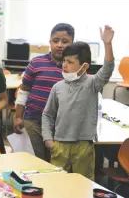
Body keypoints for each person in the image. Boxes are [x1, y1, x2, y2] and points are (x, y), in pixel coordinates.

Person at [41, 25, 115, 181]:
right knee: (56, 183)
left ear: (84, 66)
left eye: (70, 62)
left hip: (83, 146)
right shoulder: (58, 87)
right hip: (59, 145)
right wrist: (48, 140)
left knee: (83, 186)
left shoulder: (92, 84)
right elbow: (47, 114)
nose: (64, 65)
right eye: (63, 61)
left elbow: (107, 68)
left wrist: (108, 44)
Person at [13, 23, 74, 161]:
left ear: (72, 44)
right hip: (33, 121)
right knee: (34, 162)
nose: (59, 45)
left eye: (65, 42)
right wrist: (18, 116)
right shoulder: (36, 63)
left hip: (60, 125)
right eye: (55, 41)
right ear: (50, 42)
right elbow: (24, 91)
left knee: (55, 162)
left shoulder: (74, 67)